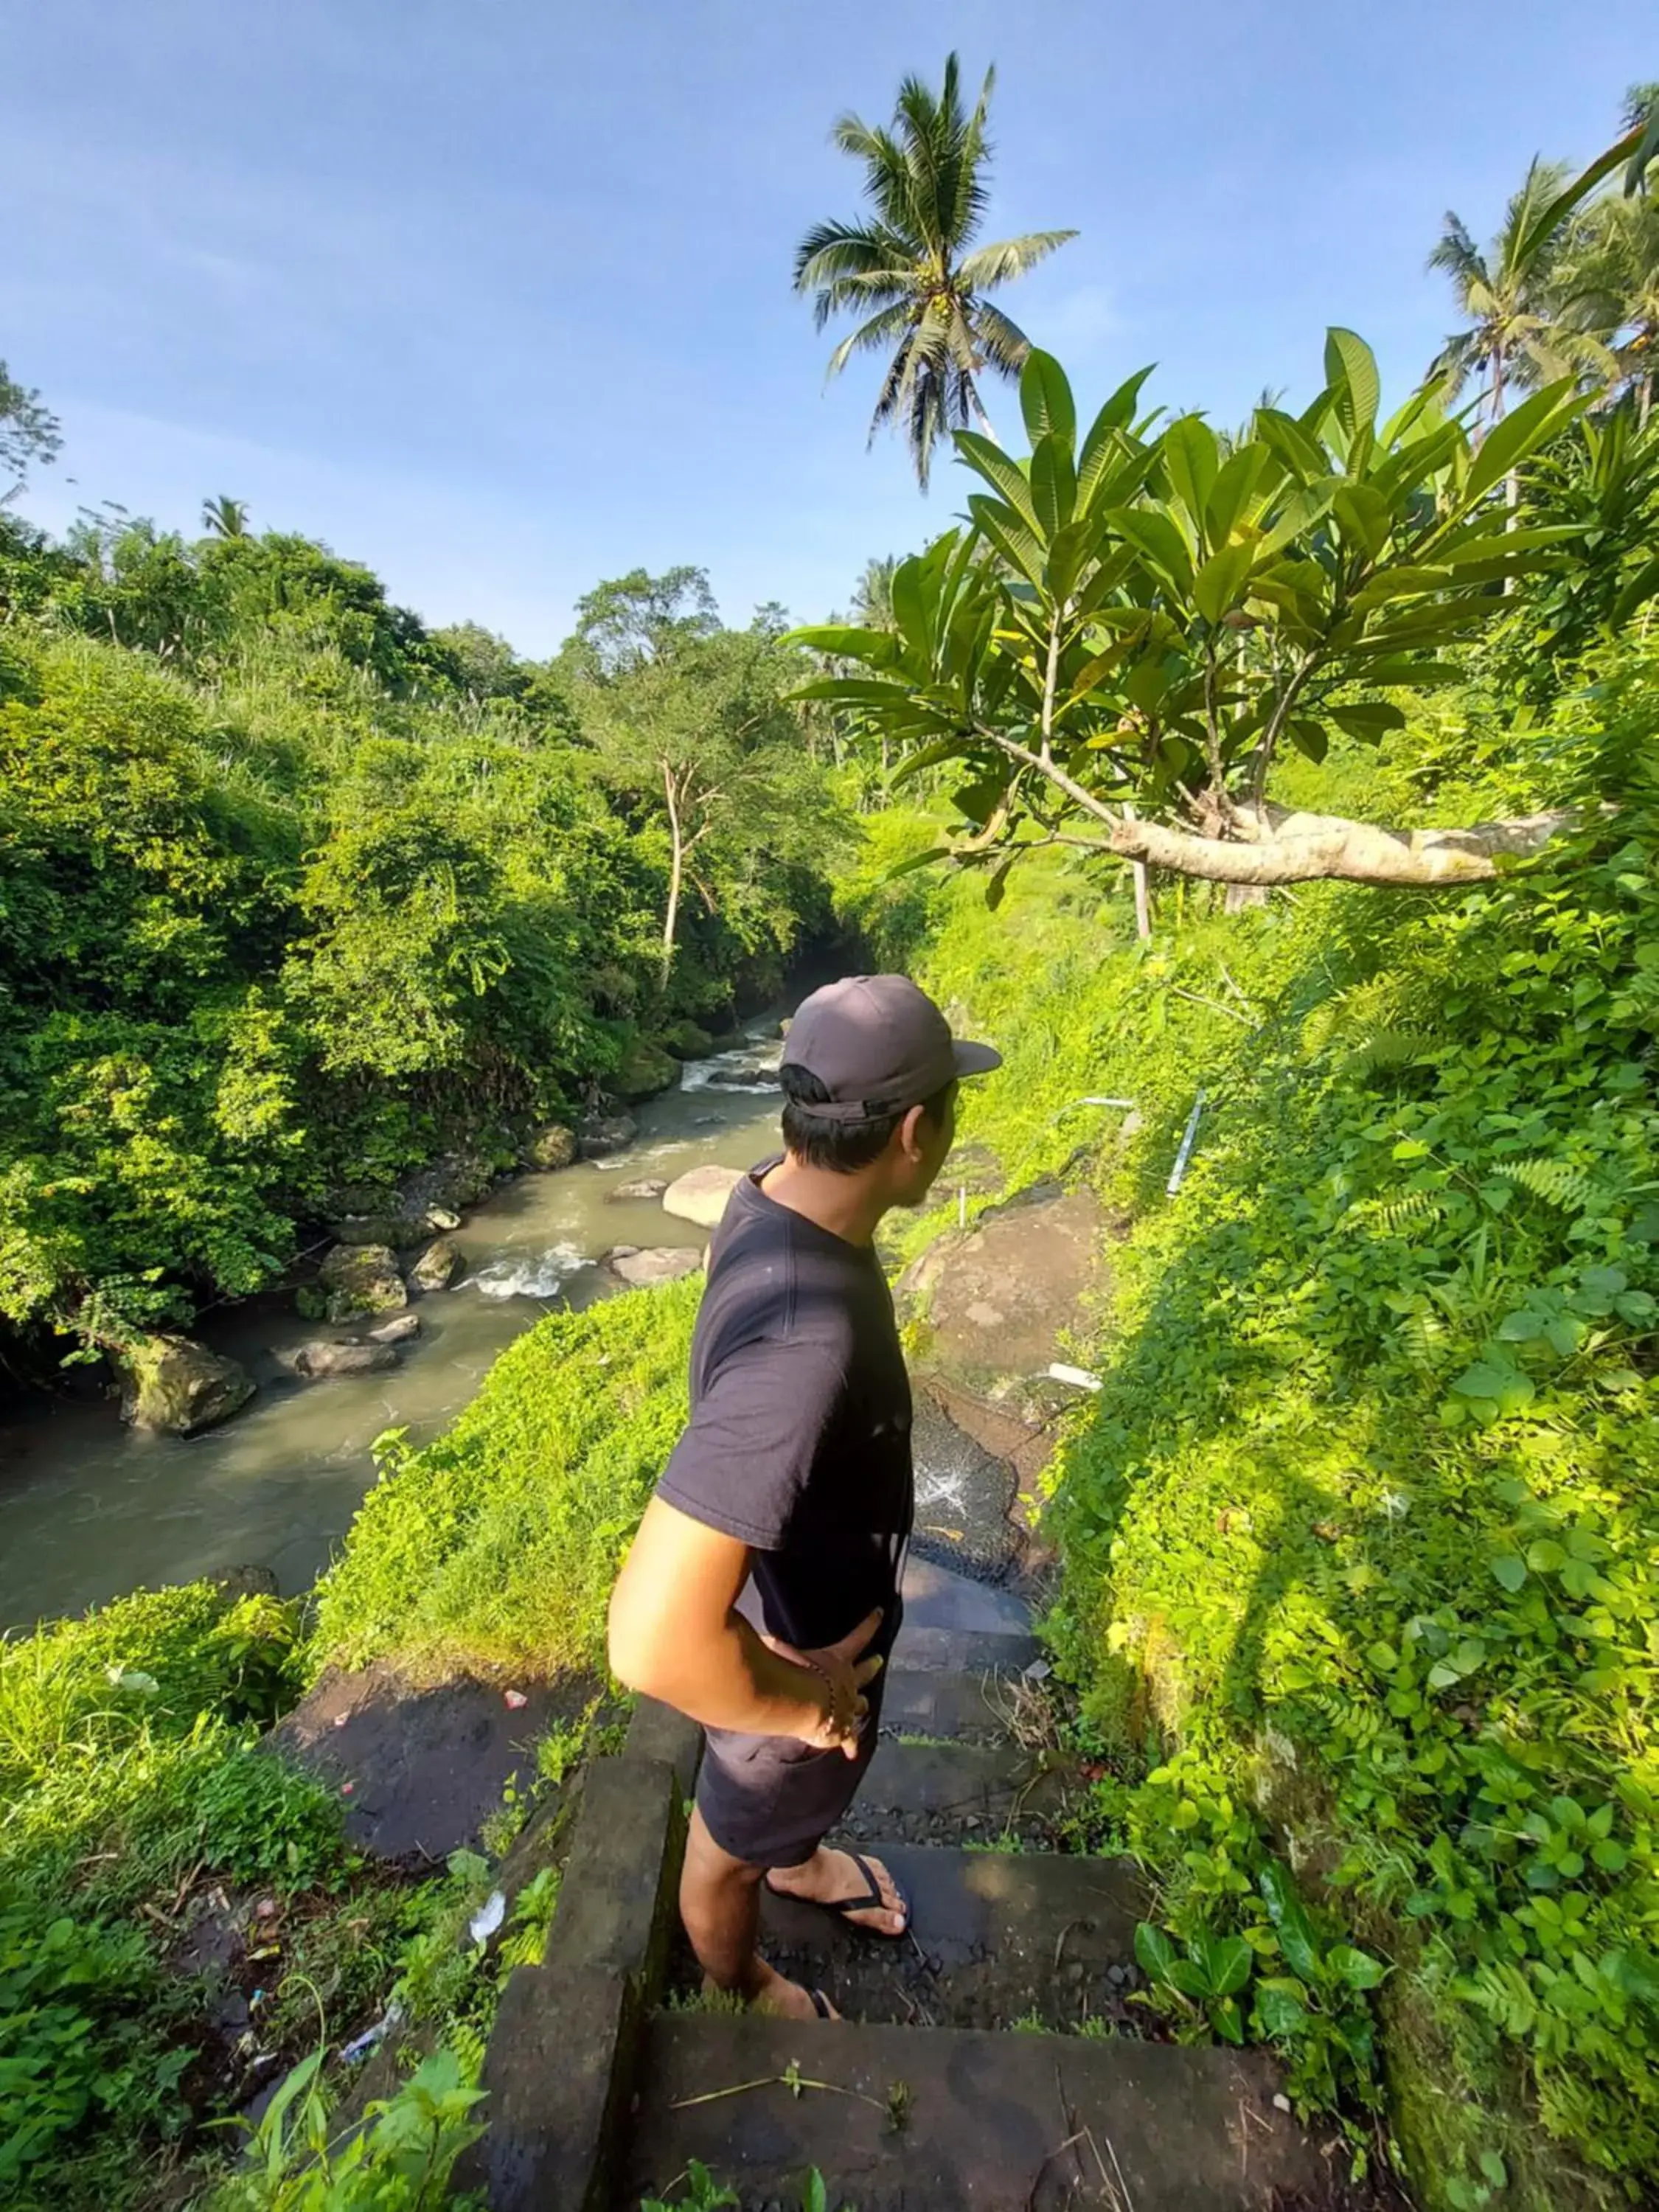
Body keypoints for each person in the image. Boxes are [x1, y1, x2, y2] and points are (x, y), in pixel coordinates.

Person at [608, 973, 1001, 2021]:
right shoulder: (801, 1341)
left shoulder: (769, 1193)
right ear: (914, 1131)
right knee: (728, 1848)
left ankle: (800, 1860)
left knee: (780, 1826)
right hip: (790, 1661)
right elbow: (648, 1644)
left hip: (808, 1603)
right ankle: (744, 1981)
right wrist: (802, 1706)